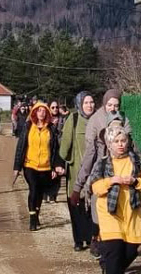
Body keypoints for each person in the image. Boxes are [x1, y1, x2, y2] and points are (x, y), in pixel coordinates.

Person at [87, 125, 141, 274]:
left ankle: (114, 271)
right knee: (114, 250)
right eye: (116, 141)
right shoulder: (102, 163)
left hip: (133, 211)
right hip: (110, 212)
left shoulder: (136, 161)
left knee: (131, 250)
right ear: (109, 144)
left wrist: (135, 181)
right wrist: (111, 181)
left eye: (123, 140)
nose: (120, 144)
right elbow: (95, 187)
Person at [73, 89, 131, 258]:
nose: (113, 108)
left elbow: (132, 145)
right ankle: (96, 239)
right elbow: (89, 154)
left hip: (122, 168)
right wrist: (79, 184)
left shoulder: (124, 119)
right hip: (101, 168)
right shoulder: (95, 120)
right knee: (98, 206)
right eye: (109, 105)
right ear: (105, 104)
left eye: (116, 105)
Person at [13, 102, 66, 231]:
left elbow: (55, 150)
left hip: (45, 167)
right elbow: (21, 147)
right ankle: (32, 219)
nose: (41, 113)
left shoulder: (51, 129)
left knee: (40, 192)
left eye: (44, 111)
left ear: (47, 113)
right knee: (33, 189)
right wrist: (17, 167)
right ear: (34, 112)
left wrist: (55, 166)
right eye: (39, 110)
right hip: (30, 165)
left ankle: (36, 214)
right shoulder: (28, 126)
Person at [59, 91, 97, 251]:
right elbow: (65, 147)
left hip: (96, 171)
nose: (89, 105)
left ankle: (91, 237)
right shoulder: (73, 119)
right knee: (76, 204)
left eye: (92, 102)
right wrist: (64, 162)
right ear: (80, 104)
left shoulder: (98, 120)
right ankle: (78, 239)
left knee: (93, 205)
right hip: (76, 171)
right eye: (86, 102)